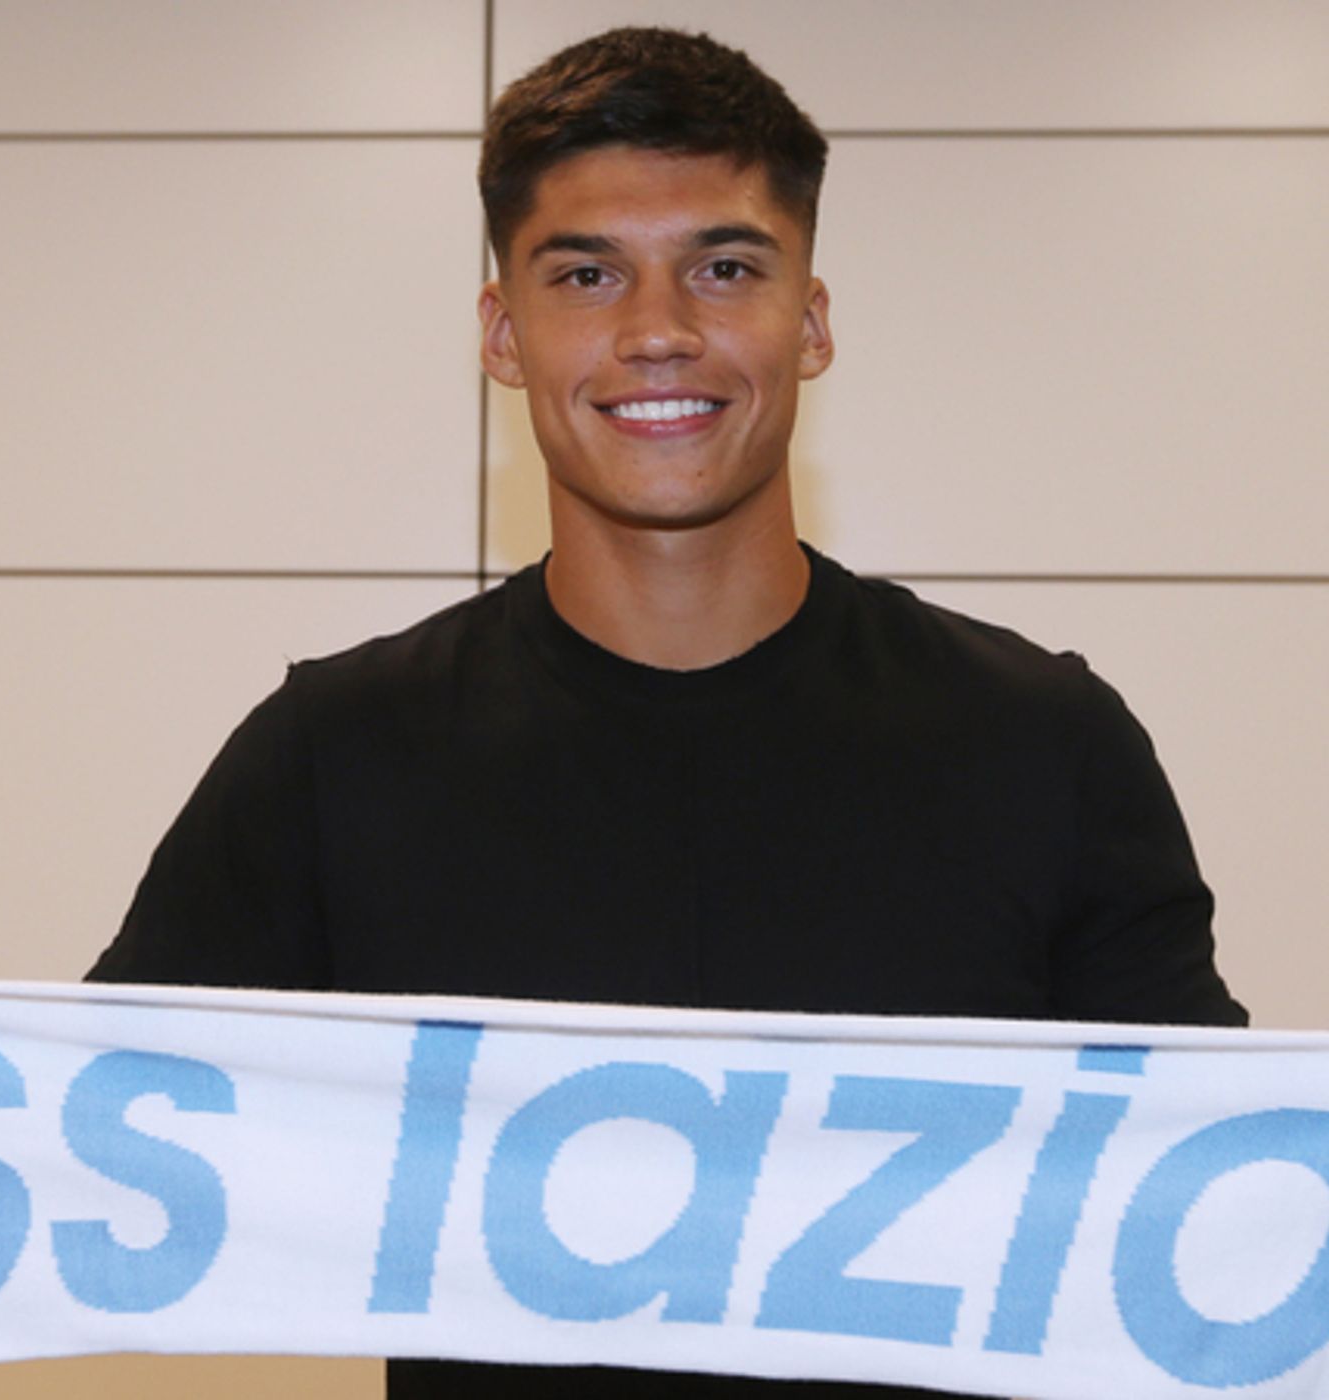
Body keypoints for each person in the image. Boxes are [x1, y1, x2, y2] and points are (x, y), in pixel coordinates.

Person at [89, 25, 1246, 1399]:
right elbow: (86, 1149)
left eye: (725, 268)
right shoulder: (332, 756)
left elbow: (1214, 1223)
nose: (657, 331)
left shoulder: (1046, 743)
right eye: (586, 274)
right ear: (503, 334)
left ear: (811, 321)